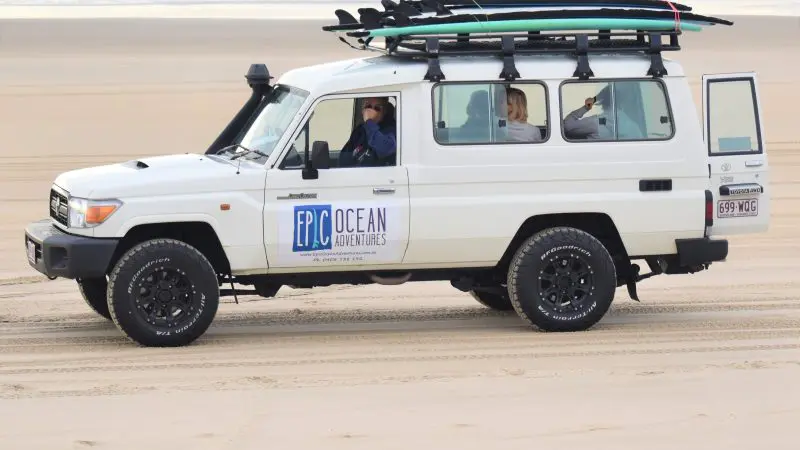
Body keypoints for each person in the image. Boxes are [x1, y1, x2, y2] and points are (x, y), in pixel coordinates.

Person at [563, 84, 646, 141]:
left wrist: (588, 105)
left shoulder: (599, 122)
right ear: (622, 103)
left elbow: (567, 126)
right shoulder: (633, 126)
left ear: (602, 102)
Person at [339, 97, 397, 167]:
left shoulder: (391, 128)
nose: (371, 111)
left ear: (384, 112)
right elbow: (344, 158)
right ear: (363, 109)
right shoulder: (359, 130)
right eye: (368, 106)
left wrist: (369, 121)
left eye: (377, 108)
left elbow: (385, 148)